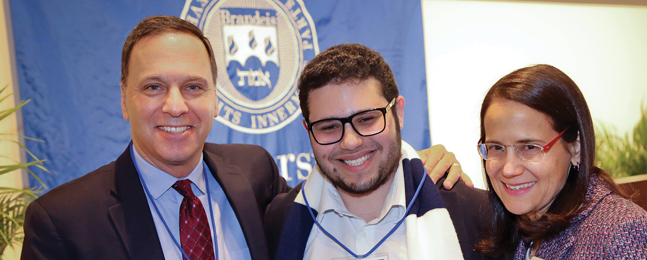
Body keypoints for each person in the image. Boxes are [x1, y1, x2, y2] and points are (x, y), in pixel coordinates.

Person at [20, 16, 463, 260]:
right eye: (154, 87)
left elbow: (349, 186)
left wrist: (410, 163)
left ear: (216, 98)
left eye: (193, 87)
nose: (176, 106)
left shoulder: (254, 173)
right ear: (123, 99)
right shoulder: (62, 224)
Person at [264, 43, 493, 260]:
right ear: (308, 130)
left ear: (399, 113)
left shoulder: (476, 213)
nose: (350, 142)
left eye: (366, 119)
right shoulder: (278, 221)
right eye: (329, 127)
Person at [474, 64, 647, 259]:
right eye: (497, 148)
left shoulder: (621, 231)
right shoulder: (510, 230)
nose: (509, 169)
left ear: (575, 148)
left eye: (530, 147)